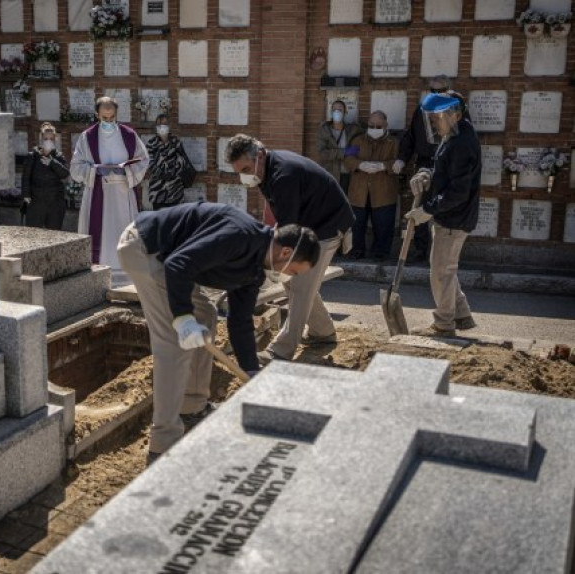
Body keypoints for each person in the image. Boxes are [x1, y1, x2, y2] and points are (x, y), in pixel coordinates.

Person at [116, 202, 320, 463]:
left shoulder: (256, 270)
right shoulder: (238, 235)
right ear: (286, 252)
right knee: (173, 344)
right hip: (146, 249)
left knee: (206, 315)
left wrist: (251, 370)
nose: (288, 276)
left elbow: (240, 321)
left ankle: (192, 406)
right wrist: (182, 318)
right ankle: (163, 443)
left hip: (169, 260)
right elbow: (178, 265)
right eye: (293, 271)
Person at [226, 134, 355, 363]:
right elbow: (274, 215)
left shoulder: (283, 175)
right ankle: (322, 332)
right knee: (293, 281)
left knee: (298, 284)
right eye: (240, 172)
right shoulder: (266, 171)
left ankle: (280, 351)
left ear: (260, 155)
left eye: (246, 168)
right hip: (312, 223)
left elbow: (289, 231)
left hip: (328, 226)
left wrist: (268, 261)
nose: (244, 176)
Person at [405, 93, 481, 337]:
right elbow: (443, 171)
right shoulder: (454, 136)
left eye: (438, 117)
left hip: (453, 219)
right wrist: (426, 174)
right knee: (446, 268)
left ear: (455, 115)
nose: (435, 123)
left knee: (440, 272)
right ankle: (461, 314)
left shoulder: (462, 143)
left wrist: (427, 210)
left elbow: (458, 191)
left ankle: (444, 324)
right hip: (451, 217)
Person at [71, 96, 149, 286]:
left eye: (111, 117)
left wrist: (126, 170)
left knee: (123, 232)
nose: (108, 122)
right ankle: (98, 275)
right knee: (101, 237)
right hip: (98, 191)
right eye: (104, 118)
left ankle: (127, 277)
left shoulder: (129, 135)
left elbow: (143, 160)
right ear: (97, 115)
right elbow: (75, 167)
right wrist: (95, 171)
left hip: (123, 192)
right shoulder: (87, 137)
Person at [394, 74, 451, 264]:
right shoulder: (421, 109)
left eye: (440, 91)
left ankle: (442, 255)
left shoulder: (455, 111)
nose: (436, 94)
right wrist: (402, 159)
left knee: (443, 207)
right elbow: (411, 136)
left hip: (445, 164)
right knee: (420, 207)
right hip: (424, 162)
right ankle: (420, 250)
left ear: (447, 91)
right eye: (432, 91)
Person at [343, 110, 399, 261]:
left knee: (384, 224)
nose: (374, 128)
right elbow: (347, 159)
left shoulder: (394, 143)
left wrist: (384, 166)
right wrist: (360, 164)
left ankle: (381, 253)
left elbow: (402, 163)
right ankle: (356, 250)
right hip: (359, 191)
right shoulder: (357, 140)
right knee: (357, 224)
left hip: (384, 191)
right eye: (371, 125)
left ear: (386, 125)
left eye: (378, 126)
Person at [21, 122, 70, 230]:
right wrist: (26, 195)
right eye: (46, 138)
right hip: (36, 201)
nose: (48, 141)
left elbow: (65, 174)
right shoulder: (33, 156)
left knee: (54, 234)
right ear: (41, 139)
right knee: (34, 233)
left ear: (55, 139)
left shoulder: (59, 156)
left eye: (51, 139)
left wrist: (52, 162)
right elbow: (26, 177)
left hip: (55, 202)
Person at [316, 99, 363, 192]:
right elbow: (322, 153)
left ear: (345, 112)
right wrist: (343, 152)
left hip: (348, 173)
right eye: (334, 110)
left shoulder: (352, 130)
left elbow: (366, 135)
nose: (337, 112)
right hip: (331, 173)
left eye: (340, 110)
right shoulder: (324, 131)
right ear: (331, 112)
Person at [145, 114, 190, 210]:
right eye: (159, 124)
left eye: (165, 124)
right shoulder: (151, 143)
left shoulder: (176, 142)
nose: (162, 126)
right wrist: (161, 174)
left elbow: (182, 160)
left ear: (169, 126)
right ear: (156, 126)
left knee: (175, 220)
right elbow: (149, 162)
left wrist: (172, 173)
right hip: (157, 191)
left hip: (175, 190)